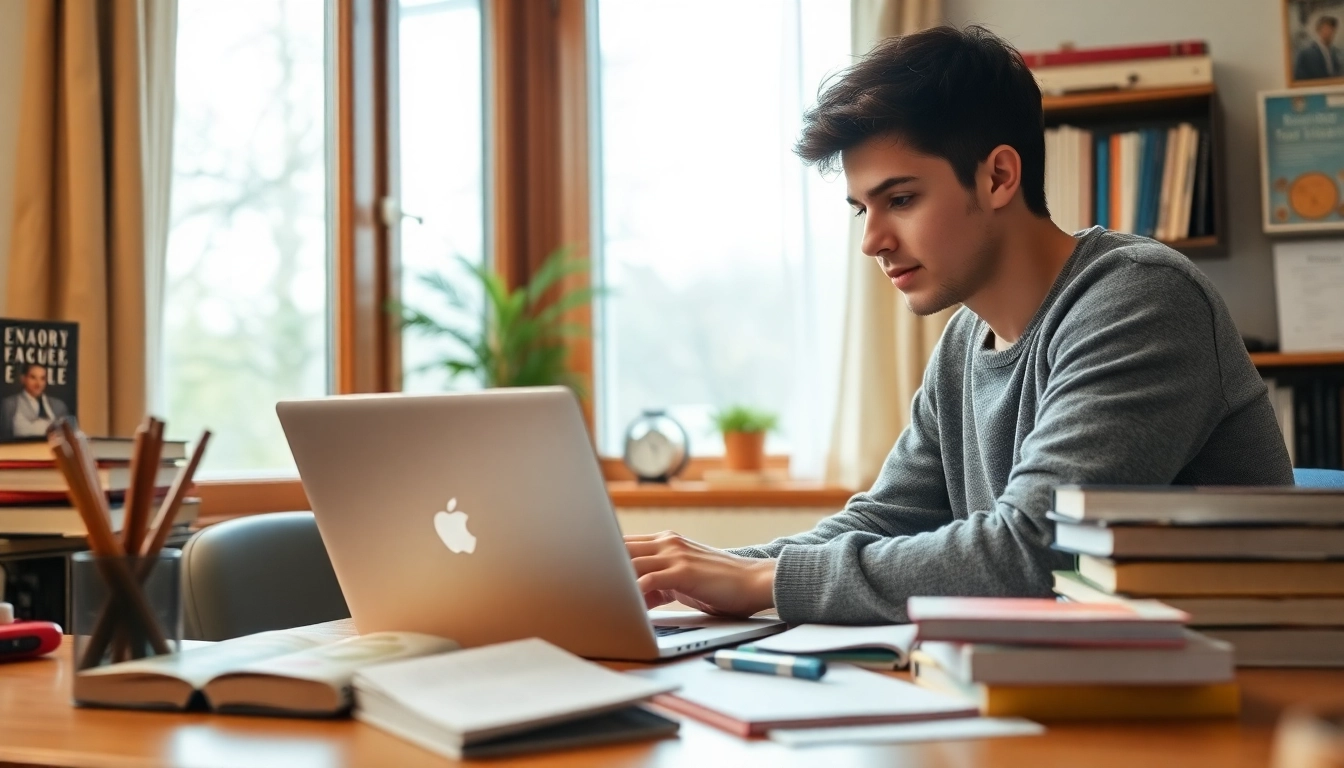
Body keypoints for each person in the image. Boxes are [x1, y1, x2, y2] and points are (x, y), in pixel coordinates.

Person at [624, 25, 1294, 625]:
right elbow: (887, 519)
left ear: (999, 176)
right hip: (1069, 691)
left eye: (902, 199)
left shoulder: (1142, 298)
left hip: (1230, 711)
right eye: (863, 209)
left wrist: (764, 581)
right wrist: (695, 571)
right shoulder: (962, 345)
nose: (874, 241)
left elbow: (1031, 554)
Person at [0, 363, 70, 441]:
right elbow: (4, 437)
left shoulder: (59, 406)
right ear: (23, 379)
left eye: (42, 378)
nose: (38, 383)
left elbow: (65, 438)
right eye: (33, 377)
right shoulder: (9, 404)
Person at [1294, 15, 1342, 81]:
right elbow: (1299, 78)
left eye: (1332, 29)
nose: (1329, 32)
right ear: (1318, 30)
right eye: (1326, 28)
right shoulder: (1305, 54)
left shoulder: (1337, 53)